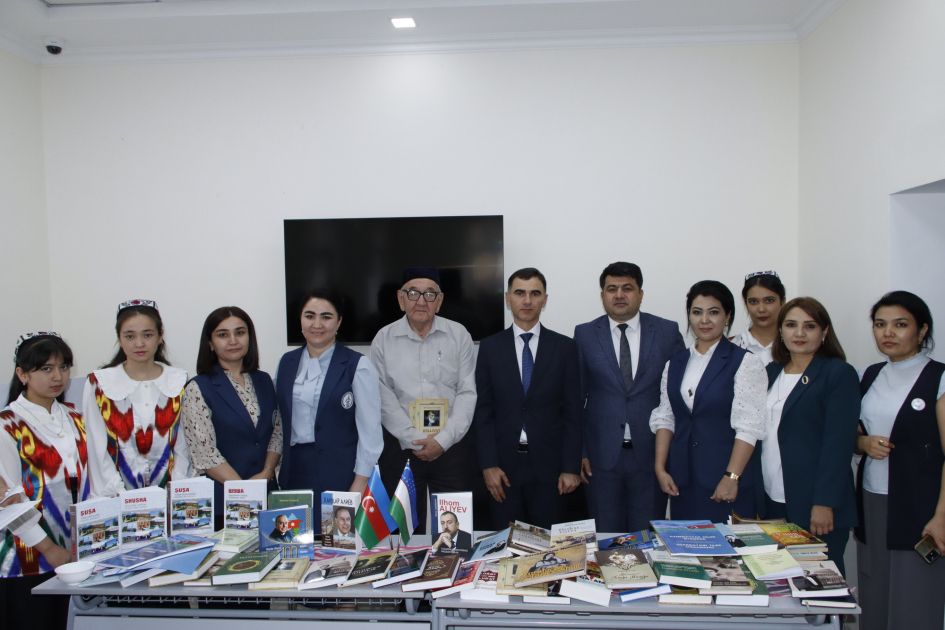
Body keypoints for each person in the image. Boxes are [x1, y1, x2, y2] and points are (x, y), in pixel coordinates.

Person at [0, 333, 124, 630]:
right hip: (26, 560)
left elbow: (93, 480)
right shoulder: (7, 424)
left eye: (64, 367)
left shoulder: (74, 416)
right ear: (22, 374)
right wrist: (48, 549)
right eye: (46, 369)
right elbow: (9, 501)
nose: (58, 376)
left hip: (77, 554)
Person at [855, 291, 945, 629]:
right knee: (874, 592)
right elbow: (854, 434)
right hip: (872, 499)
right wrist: (862, 442)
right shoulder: (871, 375)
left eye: (900, 324)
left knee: (915, 599)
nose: (888, 333)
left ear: (922, 331)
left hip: (921, 506)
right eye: (880, 325)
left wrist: (942, 515)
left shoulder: (938, 377)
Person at [574, 262, 685, 532]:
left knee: (647, 537)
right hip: (600, 460)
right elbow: (575, 398)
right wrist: (580, 451)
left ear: (640, 294)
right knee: (606, 538)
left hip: (651, 456)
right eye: (612, 289)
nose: (619, 295)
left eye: (627, 288)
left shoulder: (667, 332)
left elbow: (677, 396)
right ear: (602, 295)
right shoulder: (585, 334)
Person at [473, 267, 581, 529]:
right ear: (508, 298)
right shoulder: (489, 348)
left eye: (535, 293)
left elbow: (573, 412)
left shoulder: (565, 348)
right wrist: (488, 465)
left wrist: (570, 467)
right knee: (506, 551)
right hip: (503, 471)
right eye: (520, 293)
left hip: (551, 470)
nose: (527, 300)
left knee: (549, 552)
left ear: (545, 299)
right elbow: (483, 412)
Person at [370, 267, 477, 532]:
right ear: (400, 298)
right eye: (413, 293)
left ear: (439, 300)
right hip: (401, 449)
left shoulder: (459, 335)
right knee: (404, 533)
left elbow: (467, 392)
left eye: (430, 294)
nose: (421, 300)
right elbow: (382, 396)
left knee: (455, 534)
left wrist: (442, 440)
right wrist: (413, 438)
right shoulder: (384, 339)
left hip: (451, 448)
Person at [650, 280, 767, 522]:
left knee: (727, 557)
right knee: (687, 554)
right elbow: (666, 416)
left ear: (728, 317)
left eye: (713, 312)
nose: (704, 320)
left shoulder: (745, 362)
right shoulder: (676, 362)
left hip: (724, 482)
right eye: (697, 312)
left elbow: (749, 427)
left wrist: (731, 477)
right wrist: (661, 469)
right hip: (682, 481)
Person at [761, 296, 859, 573]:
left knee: (821, 586)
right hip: (773, 499)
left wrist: (824, 502)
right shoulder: (771, 372)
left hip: (814, 504)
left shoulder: (838, 374)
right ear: (780, 331)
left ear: (825, 332)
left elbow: (837, 444)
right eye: (791, 325)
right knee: (780, 581)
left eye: (810, 326)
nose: (799, 333)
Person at [276, 290, 382, 500]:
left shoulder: (357, 365)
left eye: (326, 317)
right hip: (293, 471)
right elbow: (279, 419)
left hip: (342, 474)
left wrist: (360, 482)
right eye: (309, 316)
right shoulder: (286, 363)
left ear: (339, 322)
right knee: (293, 533)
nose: (317, 324)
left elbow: (371, 433)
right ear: (300, 320)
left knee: (335, 533)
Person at [180, 307, 281, 525]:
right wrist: (245, 493)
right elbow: (205, 453)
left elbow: (277, 432)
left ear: (250, 338)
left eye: (240, 332)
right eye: (223, 334)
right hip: (223, 505)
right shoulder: (198, 388)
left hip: (268, 497)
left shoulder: (264, 381)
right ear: (210, 343)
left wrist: (267, 471)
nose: (233, 340)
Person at [82, 299, 190, 491]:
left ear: (160, 336)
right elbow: (96, 449)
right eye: (130, 336)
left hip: (171, 495)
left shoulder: (179, 381)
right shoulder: (99, 385)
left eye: (147, 335)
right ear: (119, 338)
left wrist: (177, 488)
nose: (139, 344)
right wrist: (120, 495)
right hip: (116, 498)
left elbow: (183, 445)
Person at [731, 271, 786, 365]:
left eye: (769, 300)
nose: (761, 309)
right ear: (746, 304)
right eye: (753, 301)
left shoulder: (796, 345)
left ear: (782, 302)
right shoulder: (730, 346)